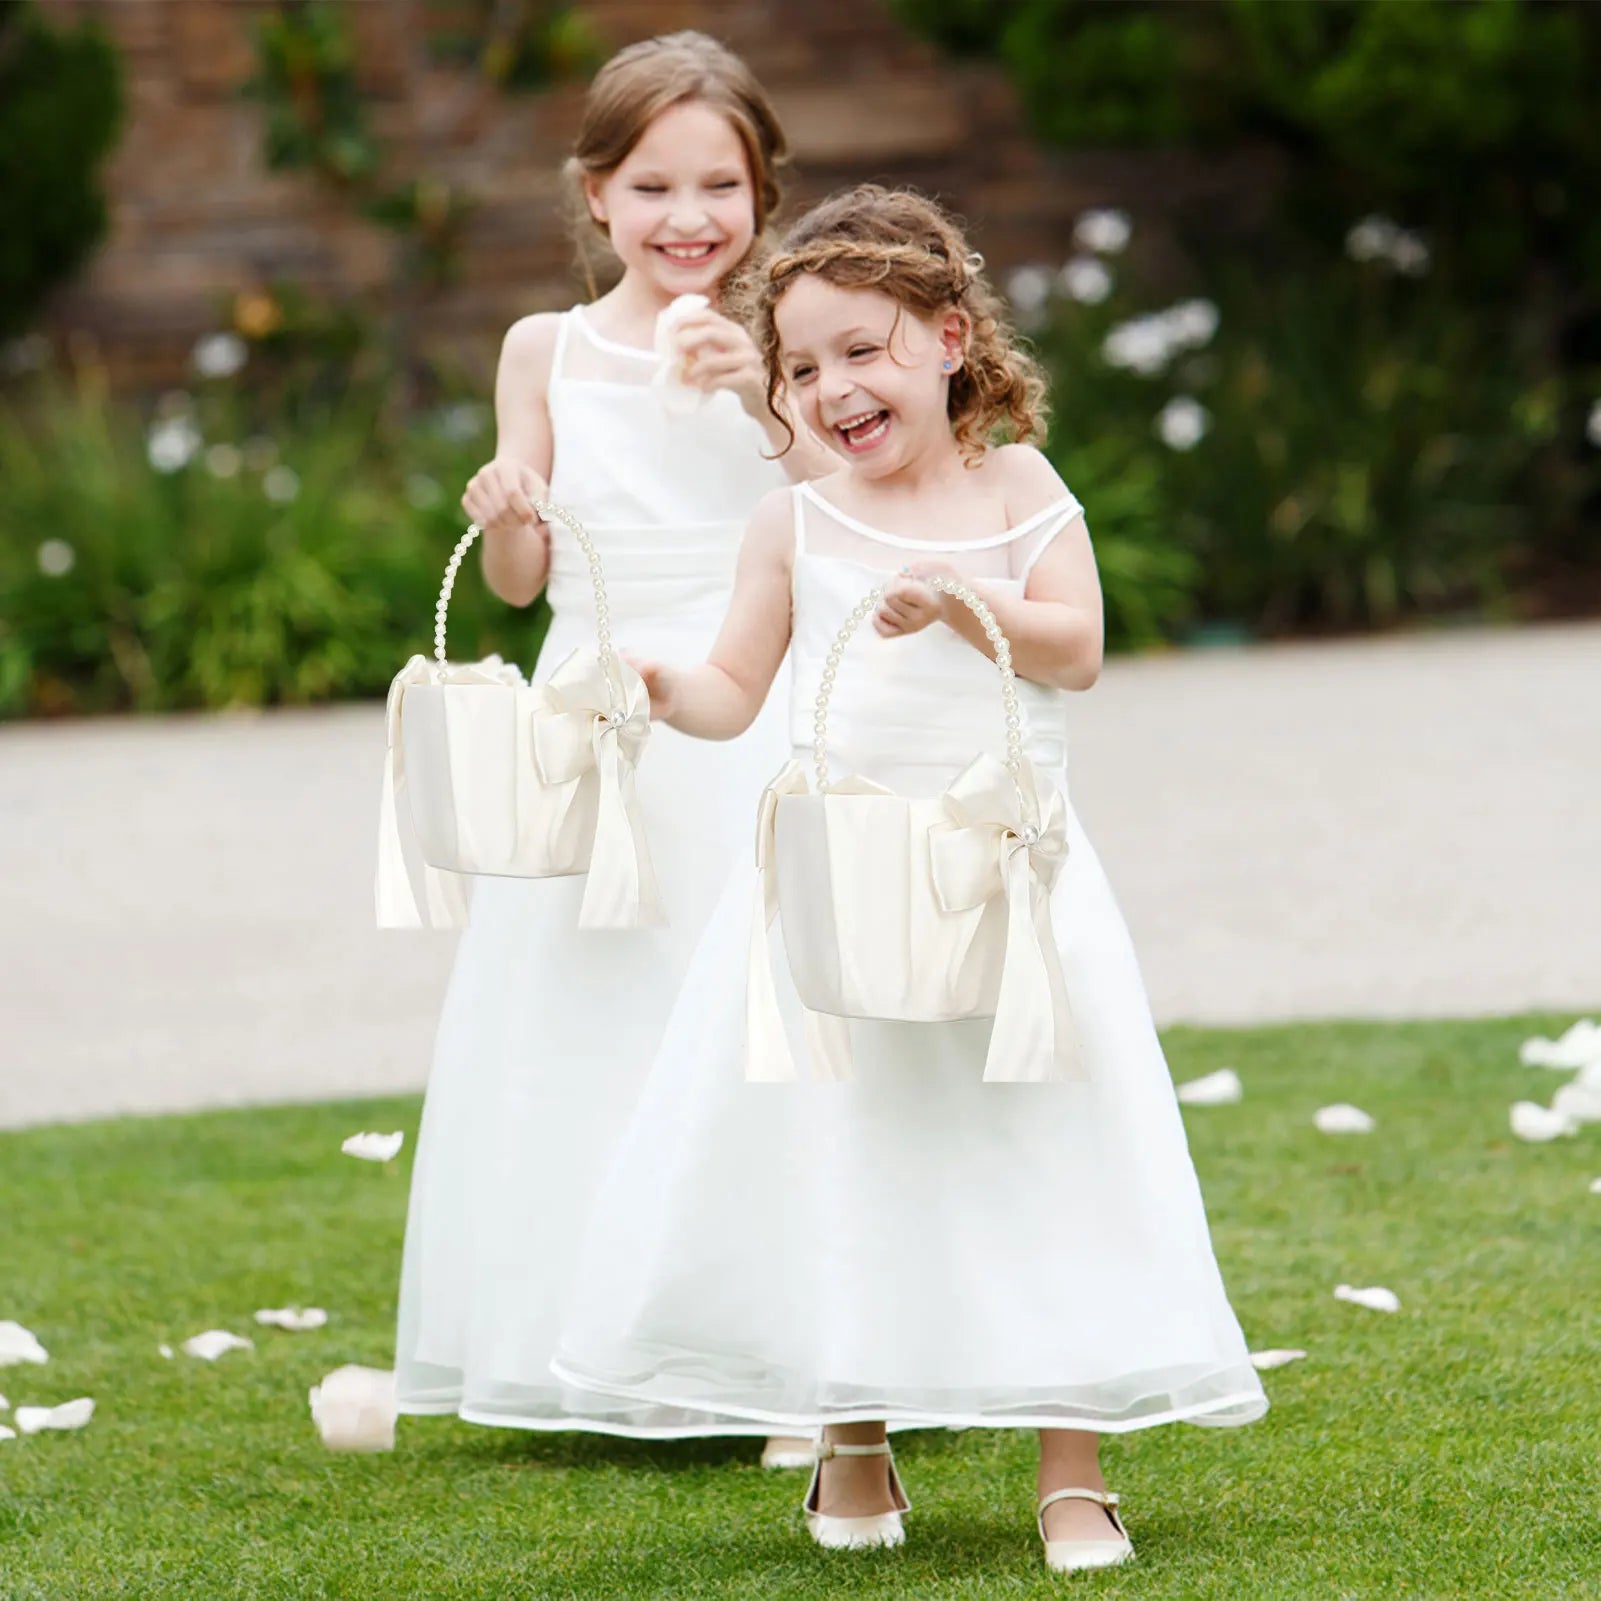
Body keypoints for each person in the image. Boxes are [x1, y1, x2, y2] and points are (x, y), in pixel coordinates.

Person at [550, 185, 1267, 1571]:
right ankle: (852, 1438)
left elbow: (1076, 648)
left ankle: (1072, 1468)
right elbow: (732, 689)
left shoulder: (1017, 491)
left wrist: (961, 597)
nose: (830, 388)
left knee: (1045, 1152)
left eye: (859, 350)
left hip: (1007, 884)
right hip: (837, 888)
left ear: (949, 340)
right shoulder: (790, 526)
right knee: (847, 1153)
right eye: (801, 367)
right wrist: (655, 686)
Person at [394, 32, 829, 1464]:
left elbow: (841, 504)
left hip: (740, 694)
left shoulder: (789, 336)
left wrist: (751, 396)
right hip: (598, 717)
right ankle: (608, 1344)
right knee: (590, 1024)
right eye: (652, 186)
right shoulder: (546, 348)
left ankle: (791, 1349)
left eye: (720, 184)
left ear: (763, 195)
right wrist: (508, 500)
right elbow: (522, 579)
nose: (687, 217)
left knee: (752, 1023)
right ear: (594, 195)